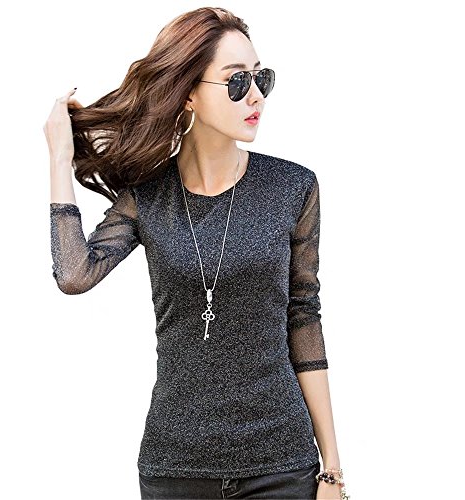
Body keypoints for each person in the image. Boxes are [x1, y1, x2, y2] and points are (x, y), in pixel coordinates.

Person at [43, 7, 348, 500]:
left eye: (261, 78)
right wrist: (60, 158)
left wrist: (332, 468)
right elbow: (75, 274)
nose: (256, 95)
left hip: (282, 465)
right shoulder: (148, 196)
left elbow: (304, 318)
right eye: (236, 81)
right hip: (175, 468)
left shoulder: (293, 187)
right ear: (188, 93)